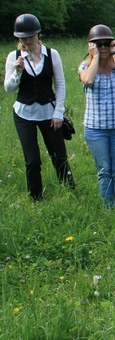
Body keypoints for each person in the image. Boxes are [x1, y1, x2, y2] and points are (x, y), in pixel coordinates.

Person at [4, 14, 75, 200]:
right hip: (23, 113)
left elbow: (60, 84)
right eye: (23, 37)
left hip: (49, 113)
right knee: (32, 160)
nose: (27, 41)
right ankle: (36, 196)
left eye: (30, 36)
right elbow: (8, 88)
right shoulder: (14, 56)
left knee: (58, 155)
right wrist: (17, 73)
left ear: (38, 34)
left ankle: (70, 189)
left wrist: (59, 112)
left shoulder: (52, 54)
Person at [78, 24, 115, 210]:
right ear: (91, 46)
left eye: (106, 44)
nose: (102, 47)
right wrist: (94, 57)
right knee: (104, 171)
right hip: (95, 129)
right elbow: (88, 80)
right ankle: (108, 208)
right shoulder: (85, 66)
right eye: (97, 44)